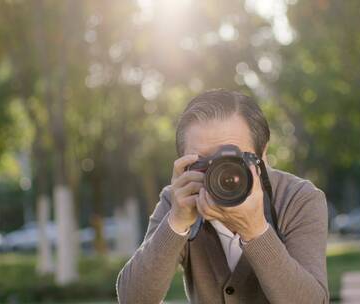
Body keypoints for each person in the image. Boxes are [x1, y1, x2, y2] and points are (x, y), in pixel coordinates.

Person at [116, 89, 329, 303]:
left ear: (262, 154)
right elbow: (133, 299)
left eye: (233, 158)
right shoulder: (178, 200)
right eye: (202, 161)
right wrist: (177, 222)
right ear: (183, 162)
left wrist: (255, 231)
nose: (219, 172)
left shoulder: (298, 199)